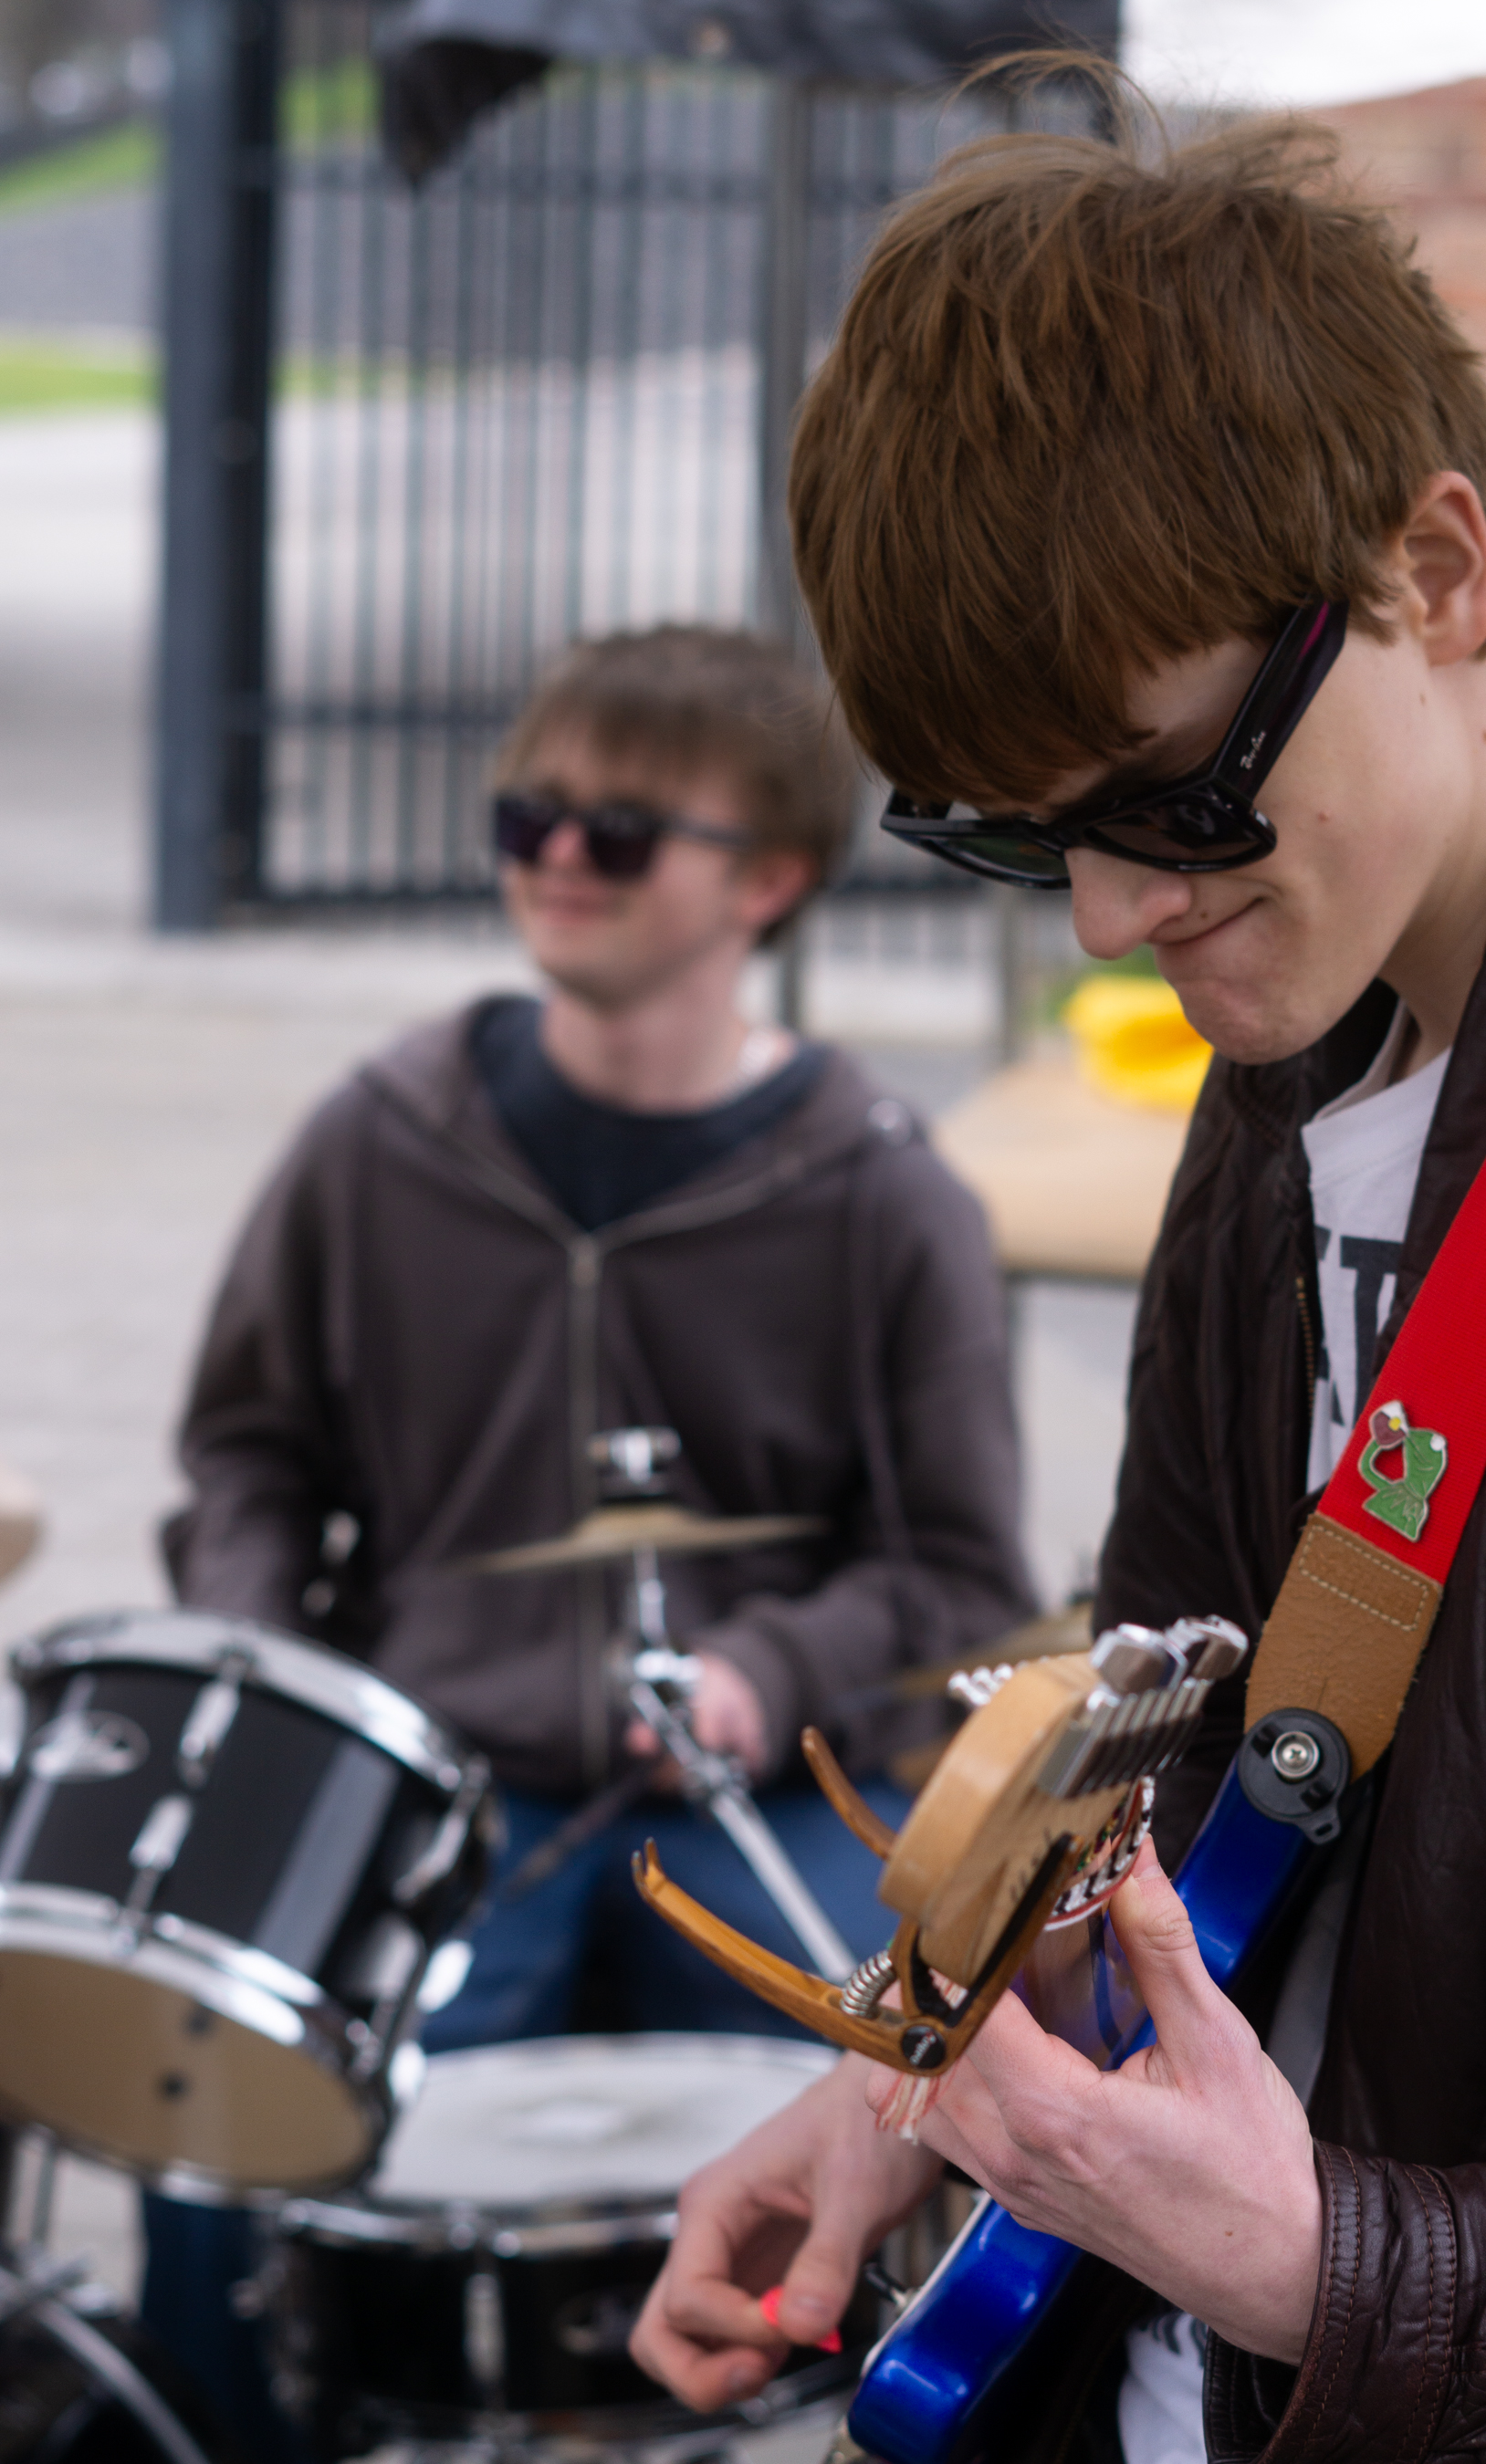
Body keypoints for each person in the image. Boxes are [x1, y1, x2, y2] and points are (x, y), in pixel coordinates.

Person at [631, 104, 1486, 2460]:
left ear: (1436, 567)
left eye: (1167, 788)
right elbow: (1203, 1766)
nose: (1104, 914)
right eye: (1014, 832)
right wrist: (924, 2096)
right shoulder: (1291, 1047)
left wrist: (1318, 2263)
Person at [145, 622, 1036, 2452]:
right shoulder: (377, 1141)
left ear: (769, 878)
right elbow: (243, 1459)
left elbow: (961, 1583)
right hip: (449, 1804)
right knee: (210, 2166)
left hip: (754, 1801)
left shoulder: (884, 1197)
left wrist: (758, 1671)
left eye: (619, 829)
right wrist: (280, 1697)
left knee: (906, 2160)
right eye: (527, 815)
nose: (555, 855)